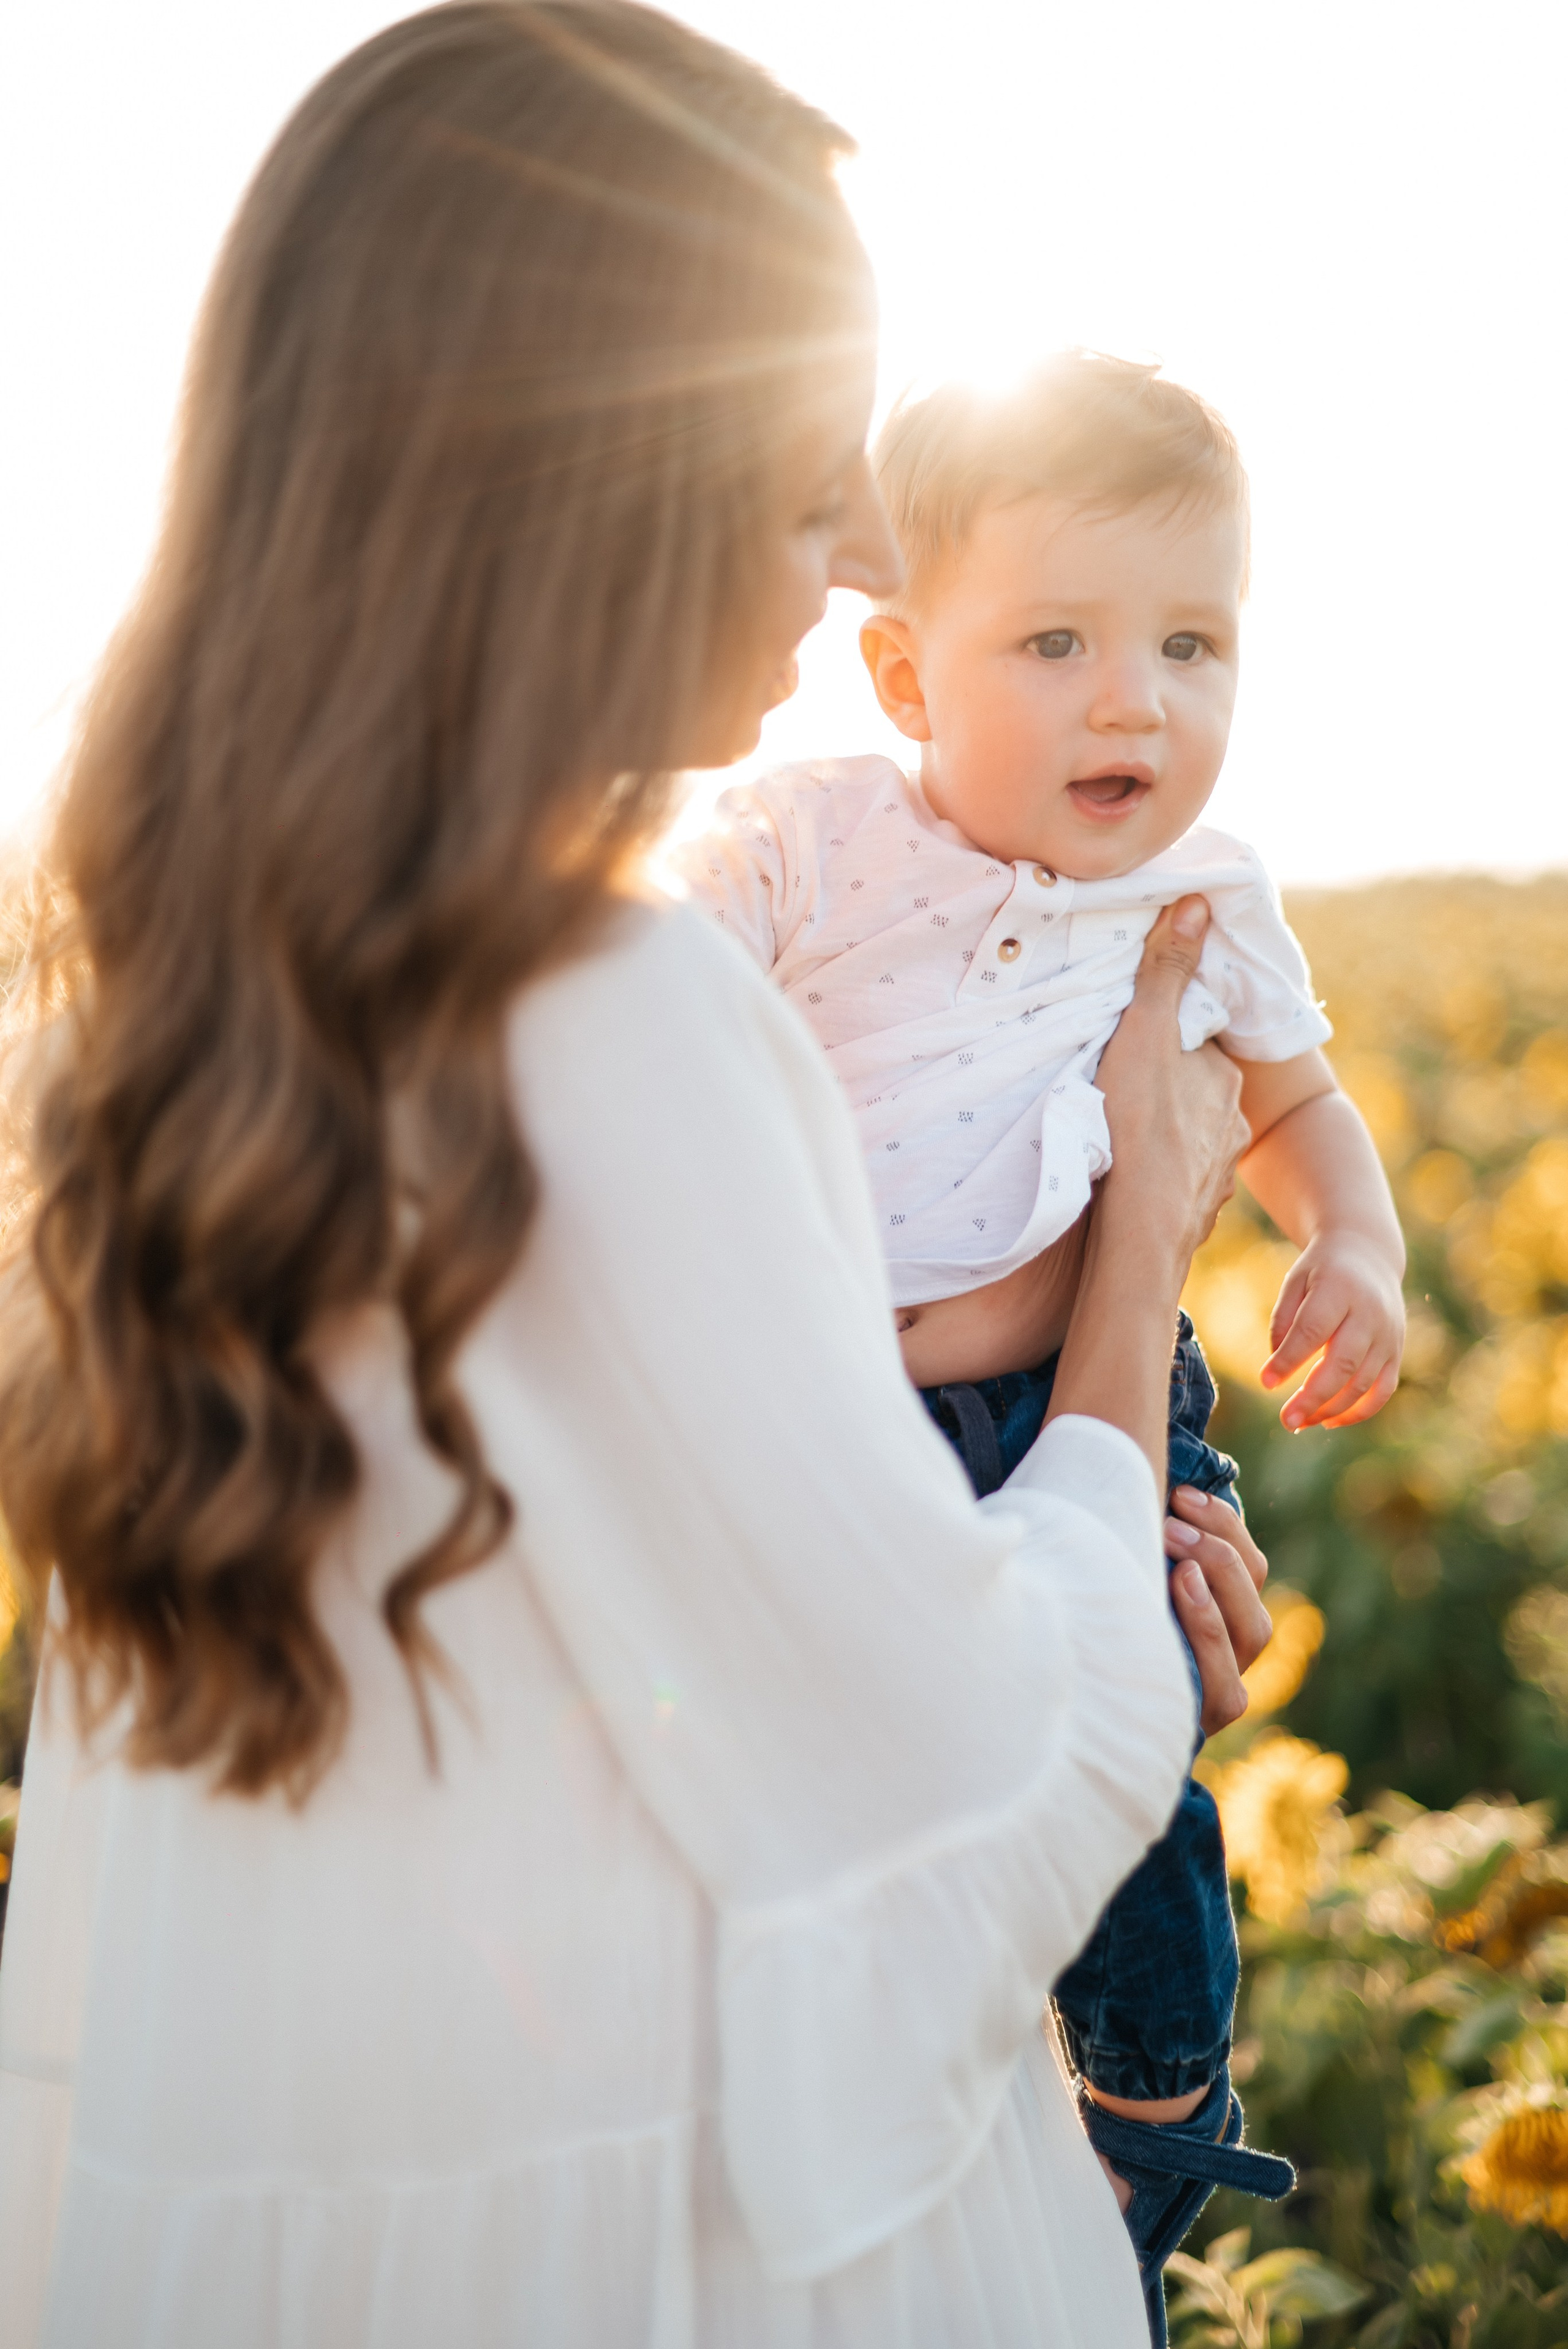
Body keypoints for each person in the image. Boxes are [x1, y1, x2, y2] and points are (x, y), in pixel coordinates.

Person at [0, 10, 1271, 2345]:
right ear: (581, 469)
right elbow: (963, 1775)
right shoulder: (600, 1024)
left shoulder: (178, 1017)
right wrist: (1141, 1248)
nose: (878, 539)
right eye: (808, 453)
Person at [673, 354, 1406, 2329]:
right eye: (1057, 640)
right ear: (903, 676)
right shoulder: (812, 835)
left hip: (1095, 1398)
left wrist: (1357, 1240)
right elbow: (662, 973)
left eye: (1192, 642)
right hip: (839, 1427)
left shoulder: (1208, 891)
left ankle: (1152, 2100)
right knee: (873, 1796)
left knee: (1135, 1766)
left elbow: (1290, 1102)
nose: (1133, 701)